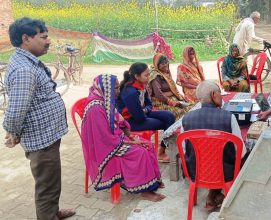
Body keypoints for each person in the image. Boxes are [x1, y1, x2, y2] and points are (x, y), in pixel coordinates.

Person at [2, 17, 75, 220]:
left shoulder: (27, 62)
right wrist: (12, 132)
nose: (48, 41)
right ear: (26, 38)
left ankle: (52, 212)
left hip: (46, 137)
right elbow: (15, 111)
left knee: (51, 182)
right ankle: (48, 215)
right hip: (41, 141)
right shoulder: (25, 70)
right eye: (43, 37)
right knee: (46, 188)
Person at [81, 74, 165, 202]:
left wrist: (130, 136)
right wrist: (131, 142)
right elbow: (104, 139)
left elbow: (118, 121)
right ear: (105, 88)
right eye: (115, 89)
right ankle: (144, 190)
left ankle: (152, 182)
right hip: (106, 148)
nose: (118, 91)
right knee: (140, 152)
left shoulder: (105, 100)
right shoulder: (95, 108)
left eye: (118, 87)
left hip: (115, 139)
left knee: (147, 144)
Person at [181, 80, 247, 210]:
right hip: (224, 173)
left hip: (195, 172)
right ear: (213, 94)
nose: (221, 97)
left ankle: (212, 195)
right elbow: (241, 152)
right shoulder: (228, 117)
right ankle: (225, 194)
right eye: (219, 94)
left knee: (211, 158)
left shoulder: (186, 118)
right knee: (244, 156)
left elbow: (185, 150)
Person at [117, 62, 175, 163]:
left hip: (142, 113)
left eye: (149, 74)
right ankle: (161, 152)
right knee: (167, 123)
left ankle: (162, 149)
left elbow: (149, 103)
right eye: (146, 75)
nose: (149, 77)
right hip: (131, 121)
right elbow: (139, 118)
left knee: (170, 116)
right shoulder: (130, 92)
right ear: (136, 76)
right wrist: (145, 110)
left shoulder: (141, 85)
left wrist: (146, 110)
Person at [147, 53, 193, 119]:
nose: (165, 65)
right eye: (163, 63)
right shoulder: (155, 75)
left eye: (166, 62)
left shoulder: (165, 72)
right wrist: (172, 102)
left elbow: (173, 88)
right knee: (182, 111)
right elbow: (158, 94)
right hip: (161, 102)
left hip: (172, 98)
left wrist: (179, 97)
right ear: (157, 64)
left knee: (192, 105)